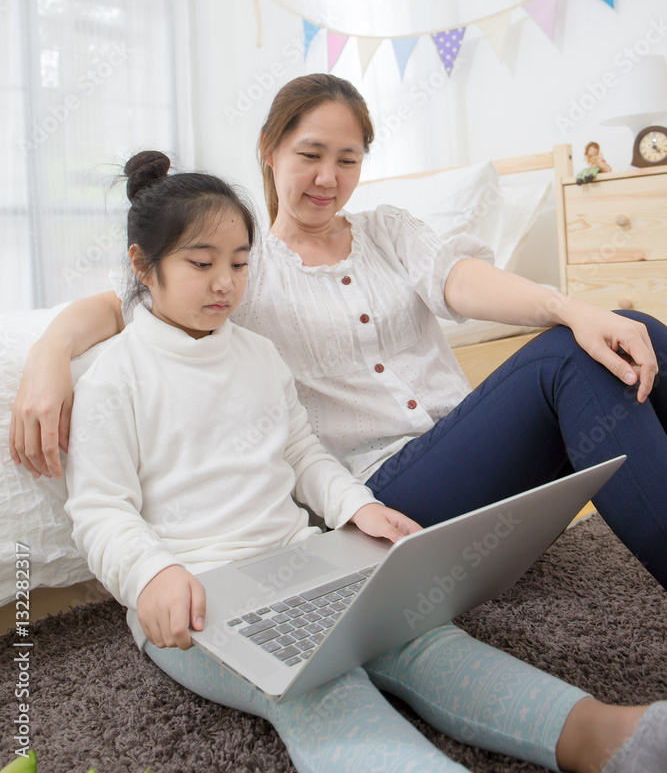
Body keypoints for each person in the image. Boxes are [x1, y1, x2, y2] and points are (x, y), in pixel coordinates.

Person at [63, 150, 667, 773]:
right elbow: (101, 511)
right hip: (197, 596)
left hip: (301, 561)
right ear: (143, 265)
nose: (225, 283)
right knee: (322, 686)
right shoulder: (116, 378)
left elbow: (301, 452)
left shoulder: (257, 354)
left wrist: (359, 505)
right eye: (201, 263)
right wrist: (152, 575)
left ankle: (612, 736)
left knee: (420, 635)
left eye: (241, 264)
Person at [10, 74, 667, 590]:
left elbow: (459, 280)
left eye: (347, 159)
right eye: (310, 155)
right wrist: (50, 351)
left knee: (630, 329)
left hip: (472, 456)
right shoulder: (243, 264)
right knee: (565, 362)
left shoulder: (387, 229)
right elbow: (125, 300)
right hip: (378, 495)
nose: (328, 178)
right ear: (268, 153)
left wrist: (572, 308)